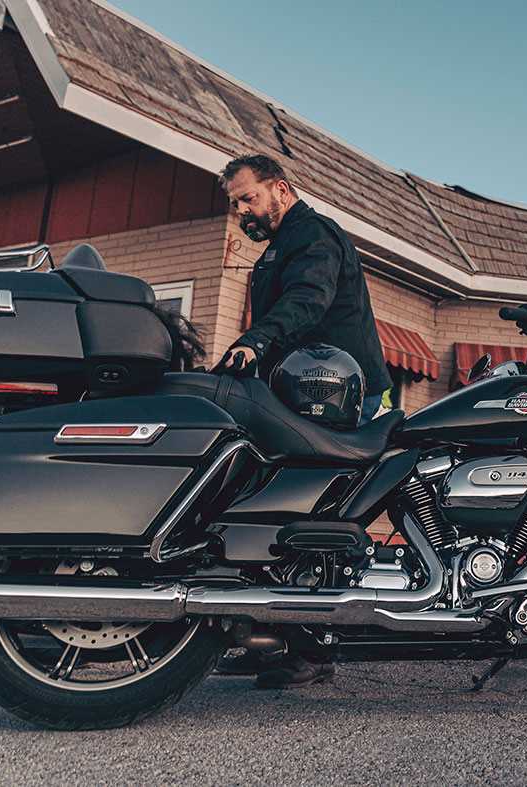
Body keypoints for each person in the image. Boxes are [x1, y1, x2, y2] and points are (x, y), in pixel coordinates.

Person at [214, 153, 392, 688]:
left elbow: (308, 302)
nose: (241, 210)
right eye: (234, 203)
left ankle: (312, 650)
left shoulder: (312, 234)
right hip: (303, 390)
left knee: (320, 512)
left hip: (339, 391)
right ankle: (274, 639)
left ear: (281, 189)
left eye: (248, 197)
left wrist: (255, 340)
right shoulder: (278, 247)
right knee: (278, 507)